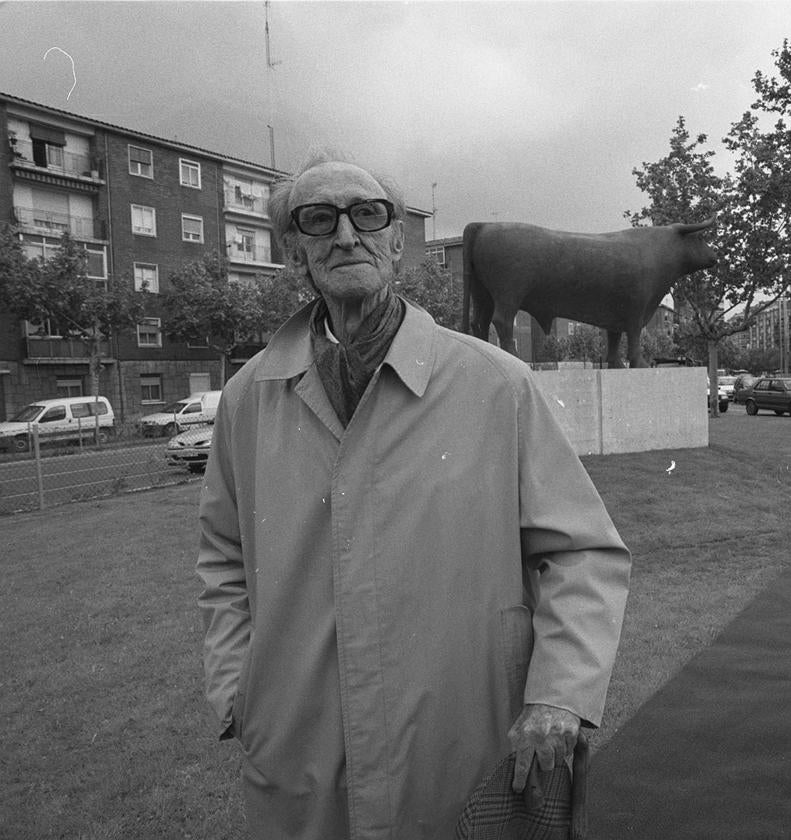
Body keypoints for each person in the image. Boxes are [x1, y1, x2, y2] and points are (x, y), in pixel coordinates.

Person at [196, 150, 631, 839]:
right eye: (319, 219)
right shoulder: (250, 397)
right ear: (293, 252)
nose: (346, 234)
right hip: (300, 746)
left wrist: (560, 693)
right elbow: (222, 556)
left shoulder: (497, 383)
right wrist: (236, 691)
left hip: (461, 738)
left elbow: (582, 552)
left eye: (367, 214)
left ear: (398, 240)